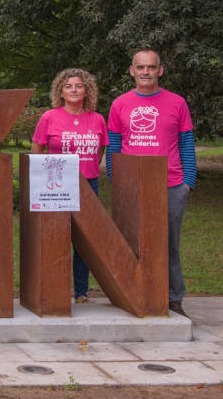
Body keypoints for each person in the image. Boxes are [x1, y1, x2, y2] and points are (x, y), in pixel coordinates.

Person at [107, 50, 195, 318]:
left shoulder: (177, 103)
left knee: (168, 243)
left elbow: (187, 144)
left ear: (161, 70)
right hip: (133, 185)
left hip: (171, 184)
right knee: (132, 242)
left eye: (152, 67)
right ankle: (134, 294)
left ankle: (173, 298)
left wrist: (188, 182)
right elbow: (113, 146)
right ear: (132, 70)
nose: (146, 72)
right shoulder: (120, 104)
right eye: (141, 67)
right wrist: (117, 180)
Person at [31, 68, 108, 304]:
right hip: (57, 187)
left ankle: (81, 291)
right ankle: (54, 290)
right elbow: (37, 150)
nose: (74, 90)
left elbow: (101, 150)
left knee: (84, 241)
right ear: (61, 92)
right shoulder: (49, 118)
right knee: (56, 238)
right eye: (68, 86)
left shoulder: (97, 119)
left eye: (79, 86)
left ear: (87, 91)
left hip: (89, 184)